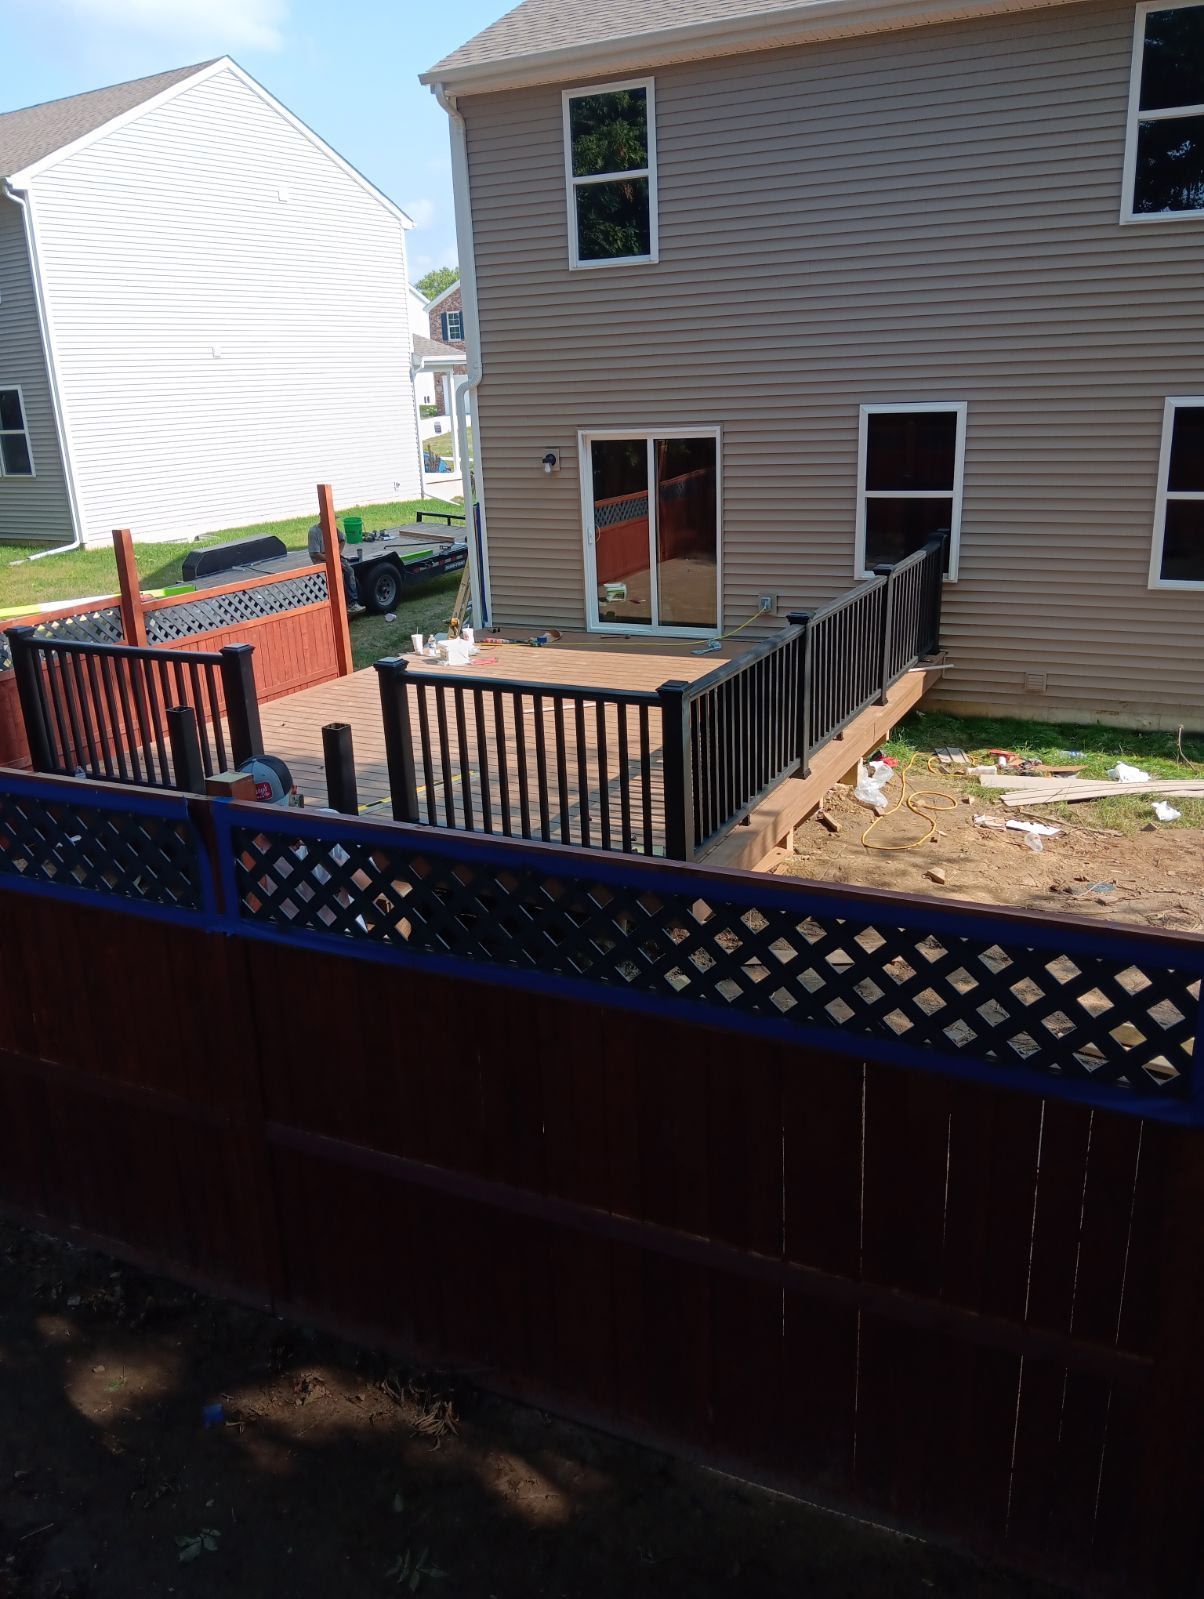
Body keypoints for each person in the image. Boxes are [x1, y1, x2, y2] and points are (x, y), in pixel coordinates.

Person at [308, 520, 360, 608]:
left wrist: (337, 553)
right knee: (339, 573)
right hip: (321, 560)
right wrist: (333, 560)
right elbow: (315, 553)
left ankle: (353, 602)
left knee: (349, 570)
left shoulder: (332, 528)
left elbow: (343, 539)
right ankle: (340, 603)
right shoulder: (314, 532)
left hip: (332, 557)